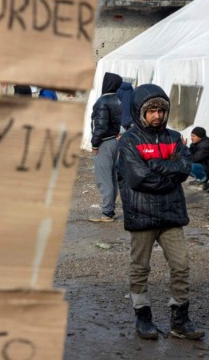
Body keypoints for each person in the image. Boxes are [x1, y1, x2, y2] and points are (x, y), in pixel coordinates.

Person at [117, 84, 204, 340]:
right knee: (140, 268)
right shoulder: (130, 141)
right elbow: (138, 179)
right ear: (140, 112)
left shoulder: (174, 138)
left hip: (171, 215)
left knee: (181, 266)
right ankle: (143, 318)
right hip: (141, 214)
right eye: (151, 110)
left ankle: (180, 321)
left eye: (160, 110)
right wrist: (170, 172)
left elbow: (186, 167)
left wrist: (155, 165)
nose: (157, 115)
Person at [89, 72, 122, 222]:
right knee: (112, 178)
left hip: (104, 142)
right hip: (114, 141)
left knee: (104, 179)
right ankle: (110, 211)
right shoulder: (117, 100)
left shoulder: (103, 101)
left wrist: (95, 144)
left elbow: (100, 126)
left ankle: (107, 213)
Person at [187, 127, 209, 191]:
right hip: (202, 165)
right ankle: (200, 179)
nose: (191, 138)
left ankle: (203, 179)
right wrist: (184, 147)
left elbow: (194, 159)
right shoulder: (195, 143)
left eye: (194, 136)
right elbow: (189, 153)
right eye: (191, 135)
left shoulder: (205, 145)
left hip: (207, 167)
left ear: (200, 137)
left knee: (188, 165)